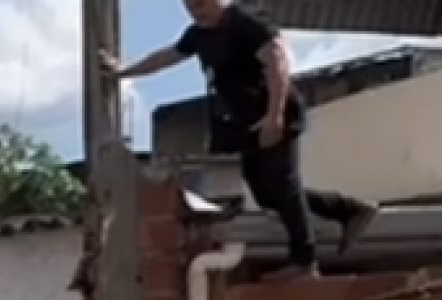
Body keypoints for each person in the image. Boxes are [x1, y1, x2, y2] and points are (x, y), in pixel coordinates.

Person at [101, 0, 379, 281]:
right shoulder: (198, 34)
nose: (196, 11)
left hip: (272, 115)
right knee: (265, 193)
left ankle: (305, 261)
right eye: (189, 6)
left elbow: (277, 60)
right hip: (248, 125)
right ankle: (349, 208)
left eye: (201, 4)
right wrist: (122, 72)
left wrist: (275, 116)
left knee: (282, 183)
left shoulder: (245, 22)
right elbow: (166, 57)